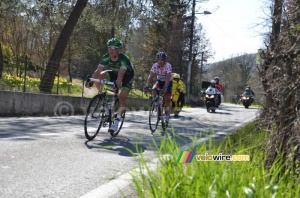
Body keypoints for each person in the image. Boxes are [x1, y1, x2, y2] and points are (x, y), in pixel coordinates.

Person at [85, 38, 134, 132]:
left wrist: (117, 86)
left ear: (118, 50)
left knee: (121, 99)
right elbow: (98, 71)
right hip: (114, 72)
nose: (110, 50)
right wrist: (91, 80)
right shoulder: (106, 56)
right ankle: (102, 95)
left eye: (114, 48)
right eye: (109, 47)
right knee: (100, 76)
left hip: (127, 76)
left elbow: (120, 75)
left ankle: (116, 122)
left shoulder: (124, 59)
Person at [144, 52, 172, 126]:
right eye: (158, 60)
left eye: (162, 60)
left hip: (168, 82)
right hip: (159, 81)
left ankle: (166, 119)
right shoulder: (155, 66)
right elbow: (150, 76)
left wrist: (166, 87)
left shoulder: (168, 66)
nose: (160, 61)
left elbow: (168, 77)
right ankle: (157, 104)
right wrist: (146, 85)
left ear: (164, 60)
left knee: (167, 100)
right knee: (154, 89)